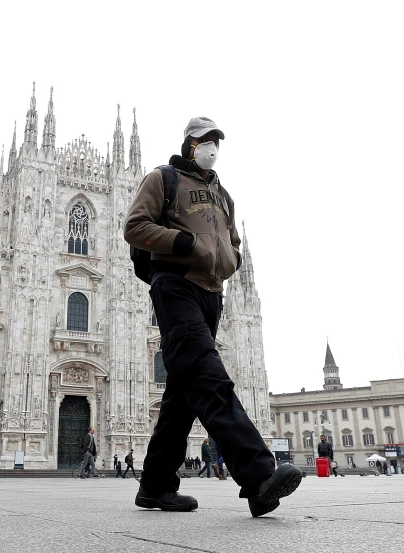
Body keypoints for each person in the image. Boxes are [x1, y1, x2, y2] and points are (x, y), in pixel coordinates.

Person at [124, 117, 302, 517]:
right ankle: (258, 476)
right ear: (189, 144)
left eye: (216, 142)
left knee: (182, 394)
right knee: (208, 375)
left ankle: (155, 486)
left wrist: (230, 261)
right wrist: (181, 241)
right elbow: (134, 227)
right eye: (205, 141)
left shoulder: (222, 194)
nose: (212, 148)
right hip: (175, 285)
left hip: (211, 293)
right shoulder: (162, 179)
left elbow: (231, 241)